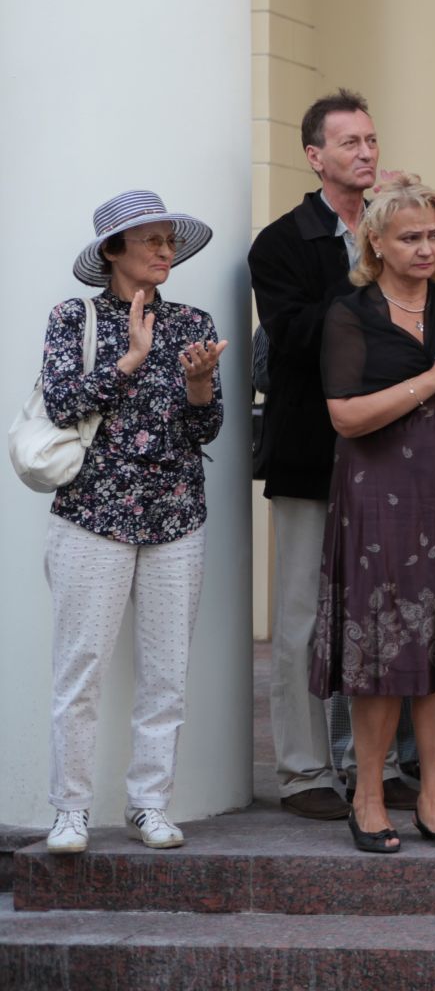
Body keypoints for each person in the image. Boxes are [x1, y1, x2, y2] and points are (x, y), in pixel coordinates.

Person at [313, 175, 435, 853]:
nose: (426, 247)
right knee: (381, 644)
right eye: (410, 238)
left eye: (434, 235)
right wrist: (434, 375)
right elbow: (345, 415)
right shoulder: (351, 313)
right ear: (376, 242)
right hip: (379, 496)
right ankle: (368, 797)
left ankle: (432, 798)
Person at [38, 193, 226, 854]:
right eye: (149, 240)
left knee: (166, 672)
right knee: (80, 669)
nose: (164, 250)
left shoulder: (193, 322)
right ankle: (71, 810)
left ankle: (149, 804)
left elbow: (207, 427)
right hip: (93, 515)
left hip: (176, 514)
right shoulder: (74, 317)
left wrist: (201, 385)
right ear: (113, 251)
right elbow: (61, 403)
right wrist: (129, 359)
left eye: (169, 240)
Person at [249, 89, 411, 820]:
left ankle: (372, 766)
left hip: (389, 455)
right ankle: (305, 772)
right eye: (349, 143)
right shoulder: (282, 243)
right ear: (315, 157)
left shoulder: (399, 229)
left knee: (376, 616)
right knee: (303, 620)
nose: (366, 153)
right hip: (311, 454)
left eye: (371, 141)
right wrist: (375, 298)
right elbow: (295, 337)